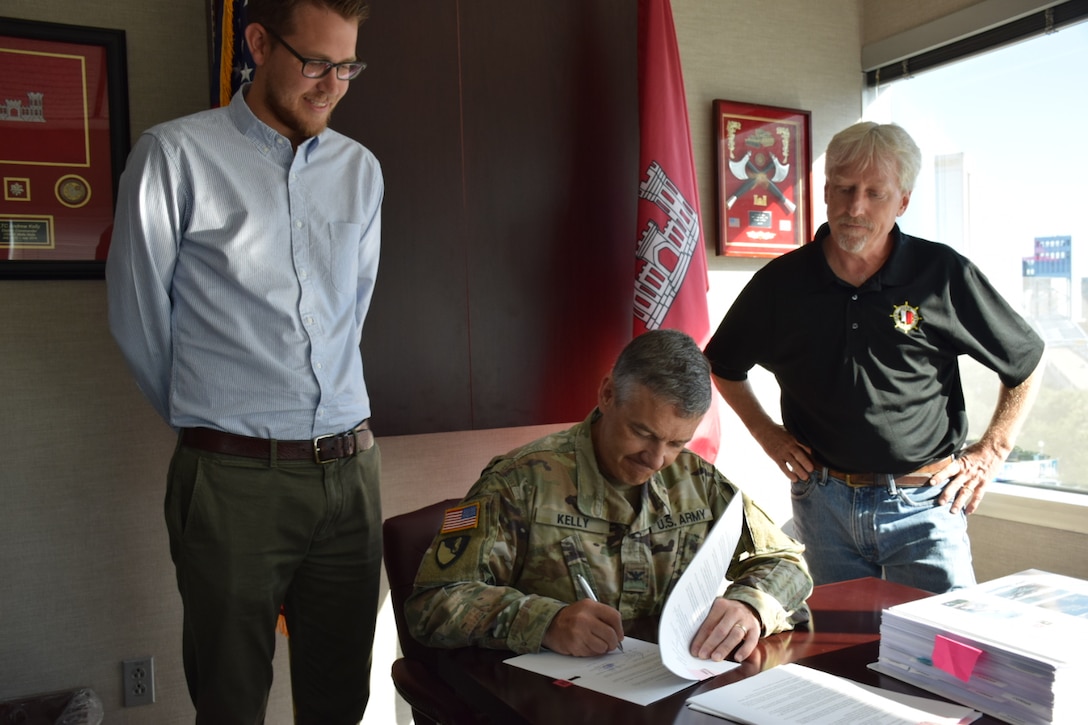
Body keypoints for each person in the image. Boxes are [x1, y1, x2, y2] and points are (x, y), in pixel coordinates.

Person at [105, 1, 382, 722]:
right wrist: (216, 420)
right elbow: (139, 319)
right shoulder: (174, 156)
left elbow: (352, 310)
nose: (331, 85)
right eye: (314, 63)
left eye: (346, 65)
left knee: (342, 698)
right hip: (231, 480)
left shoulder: (360, 170)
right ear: (258, 42)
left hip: (351, 474)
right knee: (230, 702)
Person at [704, 122, 1045, 593]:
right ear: (824, 192)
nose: (855, 207)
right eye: (844, 189)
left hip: (925, 505)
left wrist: (992, 451)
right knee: (836, 656)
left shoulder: (941, 274)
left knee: (945, 654)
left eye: (874, 193)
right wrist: (768, 435)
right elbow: (722, 364)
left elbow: (1025, 361)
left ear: (902, 201)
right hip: (821, 507)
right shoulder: (781, 284)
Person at [405, 329, 812, 662]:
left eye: (676, 442)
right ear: (607, 395)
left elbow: (786, 560)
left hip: (666, 688)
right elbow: (434, 603)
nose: (656, 459)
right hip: (550, 701)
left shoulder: (695, 480)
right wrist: (547, 622)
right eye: (644, 433)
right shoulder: (519, 482)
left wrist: (750, 607)